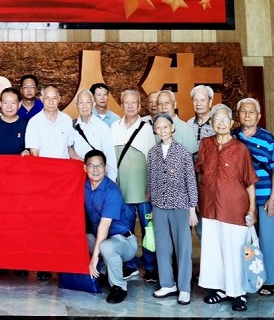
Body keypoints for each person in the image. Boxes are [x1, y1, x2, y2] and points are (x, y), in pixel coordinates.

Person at [196, 104, 258, 312]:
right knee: (214, 251)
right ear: (211, 123)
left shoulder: (240, 149)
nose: (221, 123)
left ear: (232, 123)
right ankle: (221, 289)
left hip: (234, 209)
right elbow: (200, 172)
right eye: (217, 119)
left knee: (235, 251)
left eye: (225, 120)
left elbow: (249, 181)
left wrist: (251, 209)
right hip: (210, 207)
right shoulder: (205, 144)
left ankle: (239, 293)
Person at [25, 84, 80, 281]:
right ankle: (43, 265)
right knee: (43, 223)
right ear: (41, 99)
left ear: (59, 99)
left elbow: (69, 149)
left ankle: (60, 262)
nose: (50, 102)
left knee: (61, 223)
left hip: (64, 182)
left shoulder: (66, 120)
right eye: (46, 98)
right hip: (43, 181)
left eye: (54, 98)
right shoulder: (34, 122)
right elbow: (34, 154)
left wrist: (82, 162)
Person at [146, 113, 198, 306]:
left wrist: (192, 209)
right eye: (158, 127)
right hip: (159, 205)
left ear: (172, 128)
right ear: (155, 130)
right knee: (162, 247)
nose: (162, 131)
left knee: (183, 247)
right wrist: (153, 204)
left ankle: (184, 288)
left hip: (180, 205)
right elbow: (151, 180)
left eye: (165, 127)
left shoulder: (183, 152)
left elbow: (191, 181)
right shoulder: (152, 152)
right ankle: (167, 284)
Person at [233, 97, 274, 297]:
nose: (247, 115)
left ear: (259, 116)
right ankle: (243, 276)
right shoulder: (232, 136)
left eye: (251, 112)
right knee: (241, 239)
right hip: (238, 197)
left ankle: (269, 280)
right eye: (243, 111)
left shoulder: (268, 138)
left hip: (264, 196)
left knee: (267, 238)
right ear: (238, 115)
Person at [110, 89, 158, 283]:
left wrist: (151, 187)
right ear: (121, 105)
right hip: (122, 188)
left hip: (143, 188)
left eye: (134, 103)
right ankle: (129, 265)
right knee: (125, 228)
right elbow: (111, 159)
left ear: (139, 106)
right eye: (126, 103)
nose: (130, 106)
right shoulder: (114, 127)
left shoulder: (146, 128)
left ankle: (150, 266)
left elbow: (152, 159)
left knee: (149, 229)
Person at [0, 87, 30, 278]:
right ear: (0, 104)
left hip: (21, 184)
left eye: (13, 103)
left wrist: (27, 153)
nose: (9, 106)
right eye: (5, 103)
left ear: (19, 104)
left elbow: (33, 150)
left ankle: (19, 262)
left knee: (19, 223)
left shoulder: (27, 125)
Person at [84, 149, 137, 304]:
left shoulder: (111, 190)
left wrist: (94, 257)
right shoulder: (84, 187)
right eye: (91, 165)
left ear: (105, 168)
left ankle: (119, 286)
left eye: (100, 165)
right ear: (85, 168)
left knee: (106, 246)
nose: (95, 170)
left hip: (124, 242)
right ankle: (100, 272)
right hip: (103, 238)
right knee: (79, 239)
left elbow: (104, 226)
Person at [72, 89, 117, 180]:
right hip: (77, 177)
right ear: (76, 105)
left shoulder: (102, 127)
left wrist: (111, 181)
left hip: (97, 177)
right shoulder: (72, 126)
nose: (84, 106)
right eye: (81, 103)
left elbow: (110, 157)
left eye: (88, 102)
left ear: (93, 104)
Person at [155, 90, 196, 154]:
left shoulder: (186, 129)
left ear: (174, 105)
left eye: (167, 103)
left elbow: (192, 156)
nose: (163, 107)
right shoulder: (154, 128)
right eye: (160, 103)